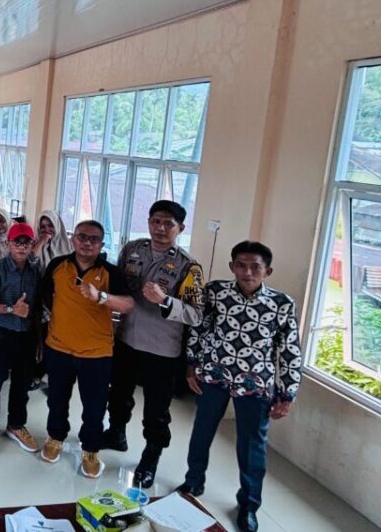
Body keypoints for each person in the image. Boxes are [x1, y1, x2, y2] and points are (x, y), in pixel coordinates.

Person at [170, 242, 300, 532]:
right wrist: (191, 364)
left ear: (267, 271)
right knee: (201, 432)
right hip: (214, 374)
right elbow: (200, 328)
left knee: (252, 446)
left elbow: (289, 350)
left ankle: (249, 504)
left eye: (255, 267)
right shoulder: (216, 291)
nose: (247, 272)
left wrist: (287, 393)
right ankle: (193, 482)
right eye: (241, 265)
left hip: (255, 383)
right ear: (232, 267)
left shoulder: (281, 304)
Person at [104, 200, 206, 489]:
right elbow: (119, 289)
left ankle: (150, 458)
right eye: (155, 221)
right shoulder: (132, 249)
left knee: (156, 410)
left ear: (180, 228)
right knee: (118, 394)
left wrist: (166, 301)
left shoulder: (189, 266)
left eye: (168, 224)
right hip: (126, 339)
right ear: (148, 222)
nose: (160, 228)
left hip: (162, 349)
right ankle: (116, 433)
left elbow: (197, 314)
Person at [36, 220, 136, 478]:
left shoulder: (111, 272)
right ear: (73, 239)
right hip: (59, 347)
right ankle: (55, 437)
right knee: (57, 399)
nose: (87, 243)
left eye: (94, 239)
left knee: (94, 406)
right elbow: (46, 296)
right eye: (82, 237)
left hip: (97, 353)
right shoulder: (58, 265)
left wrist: (101, 296)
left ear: (101, 244)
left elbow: (127, 304)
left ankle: (91, 449)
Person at [0, 222, 41, 457]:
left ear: (32, 245)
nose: (21, 247)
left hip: (26, 335)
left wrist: (39, 338)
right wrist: (11, 309)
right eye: (17, 242)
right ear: (7, 244)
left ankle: (16, 425)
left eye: (26, 243)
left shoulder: (35, 271)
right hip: (1, 334)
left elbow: (37, 306)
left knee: (22, 384)